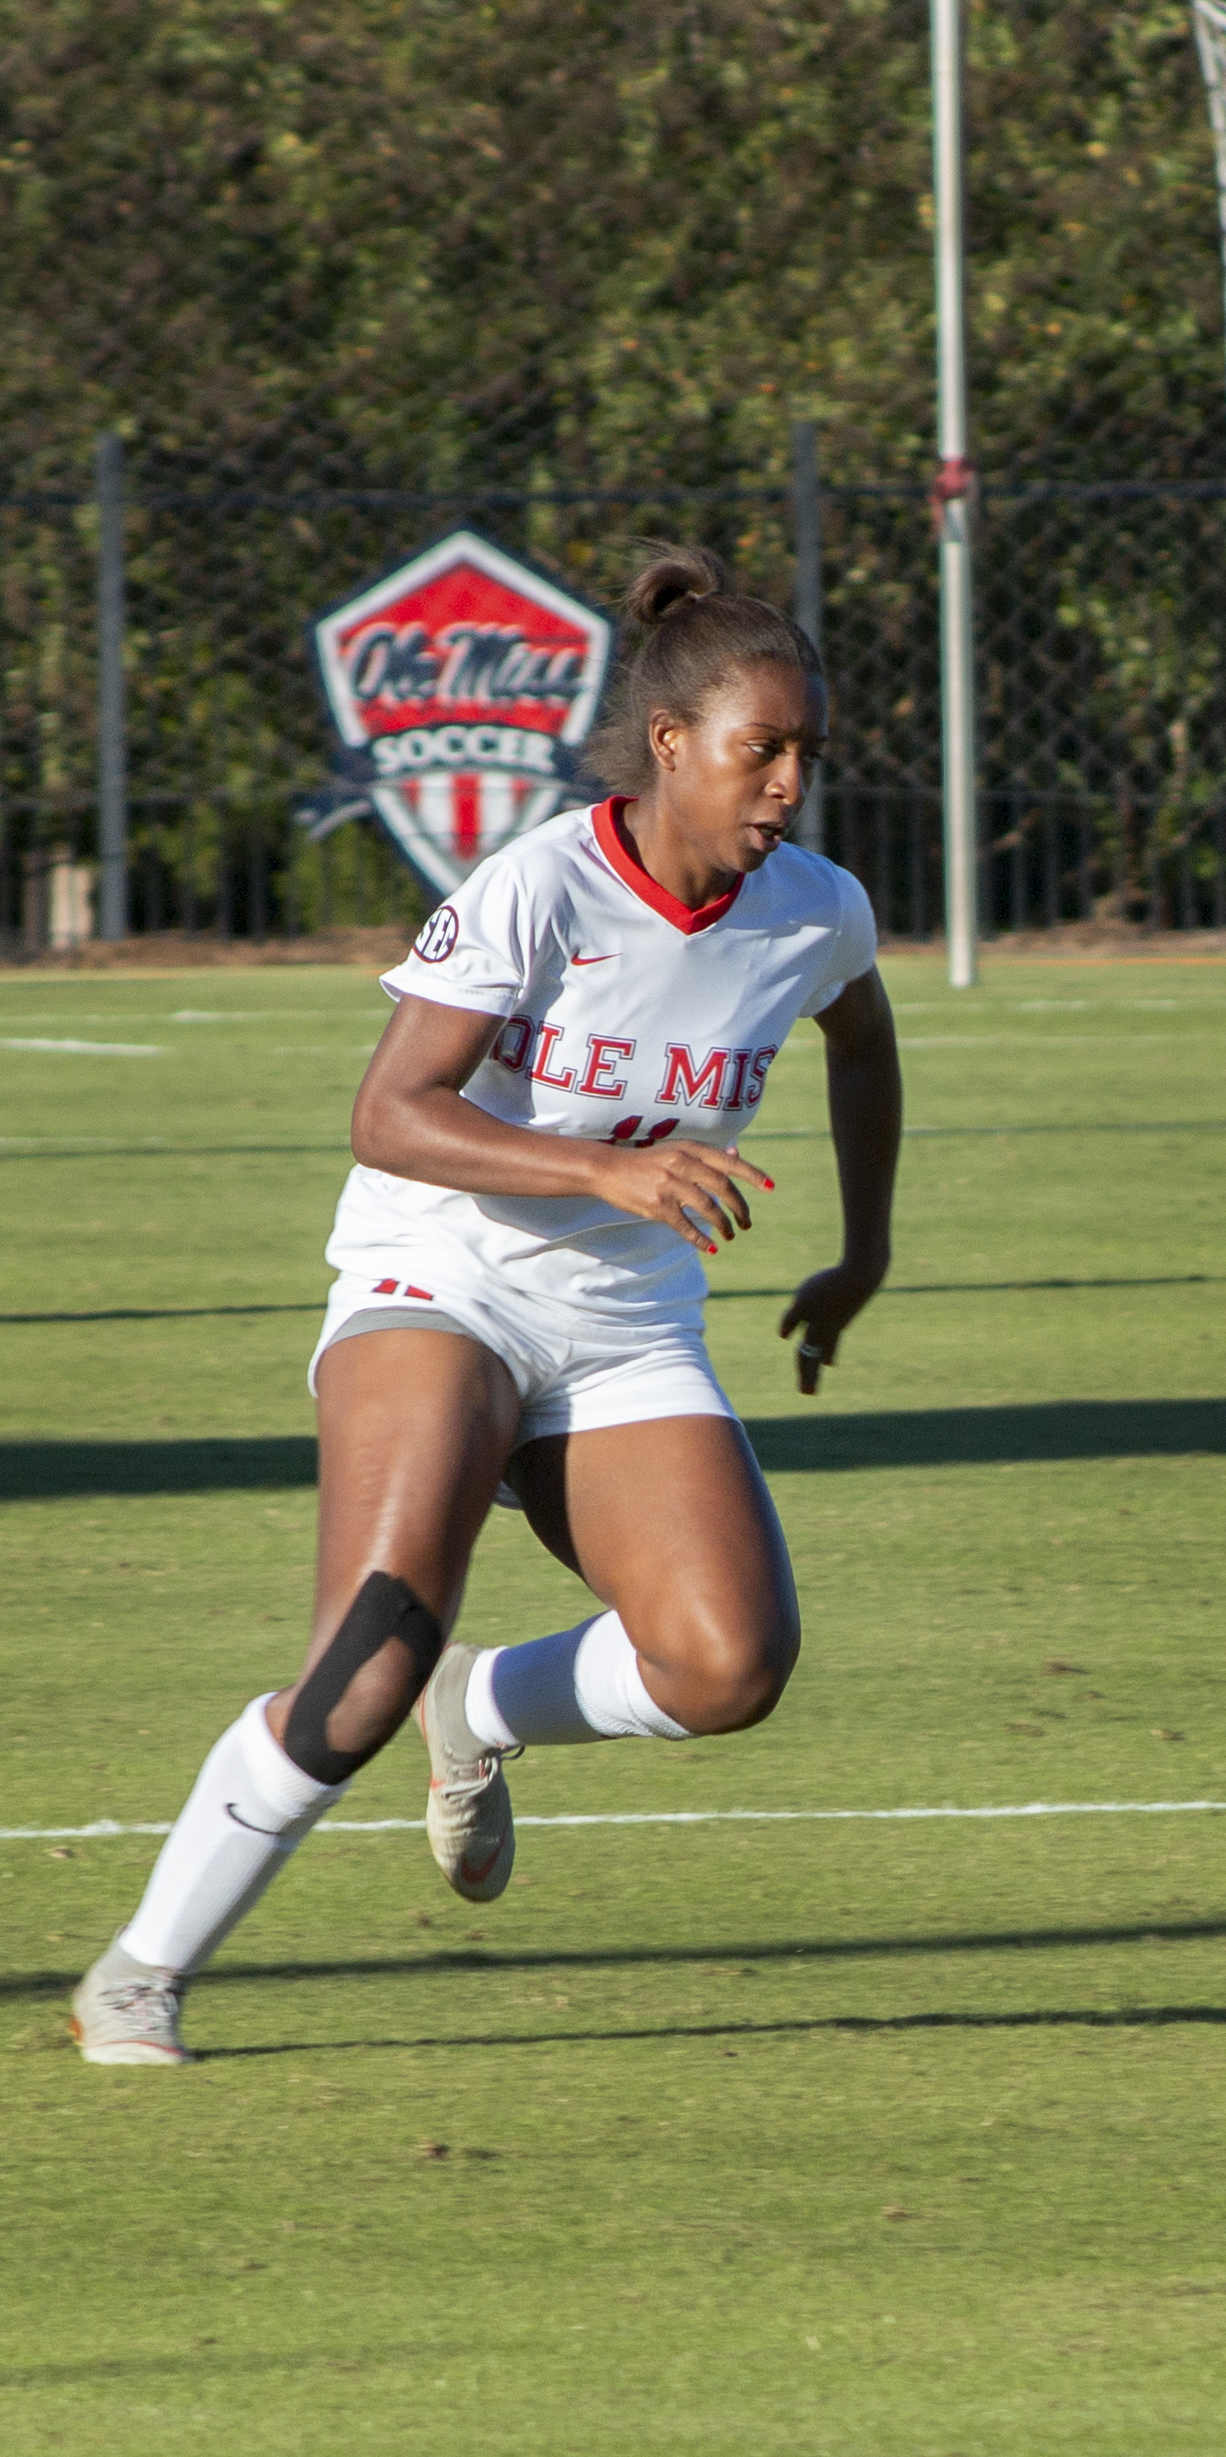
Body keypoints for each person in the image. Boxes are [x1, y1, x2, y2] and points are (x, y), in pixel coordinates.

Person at [70, 543, 901, 2066]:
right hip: (437, 1276)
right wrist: (606, 1168)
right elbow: (391, 1111)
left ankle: (491, 1705)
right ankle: (140, 1970)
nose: (789, 783)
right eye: (760, 748)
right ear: (672, 744)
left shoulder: (814, 909)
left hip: (625, 1324)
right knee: (369, 1650)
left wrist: (864, 1252)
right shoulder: (541, 883)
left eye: (807, 753)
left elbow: (861, 1043)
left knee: (730, 1666)